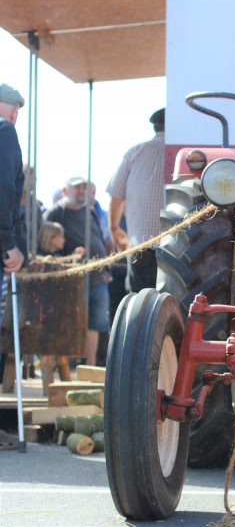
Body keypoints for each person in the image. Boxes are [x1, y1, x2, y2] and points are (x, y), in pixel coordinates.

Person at [44, 176, 110, 366]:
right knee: (70, 322)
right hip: (72, 279)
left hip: (97, 277)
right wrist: (70, 256)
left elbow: (98, 239)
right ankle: (66, 367)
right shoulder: (56, 213)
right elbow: (46, 244)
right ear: (65, 191)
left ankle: (89, 367)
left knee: (95, 324)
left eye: (83, 187)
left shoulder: (89, 212)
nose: (81, 191)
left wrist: (105, 268)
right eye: (76, 188)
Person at [107, 107, 166, 292]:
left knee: (139, 304)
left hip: (141, 243)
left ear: (155, 127)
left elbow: (116, 194)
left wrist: (114, 228)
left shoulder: (135, 153)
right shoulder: (187, 152)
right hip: (179, 246)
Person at [0, 83, 26, 381]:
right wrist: (9, 243)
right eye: (12, 106)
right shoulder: (4, 132)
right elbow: (4, 188)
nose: (15, 114)